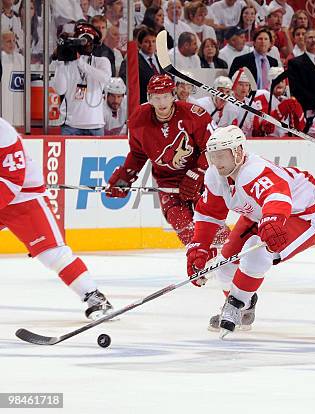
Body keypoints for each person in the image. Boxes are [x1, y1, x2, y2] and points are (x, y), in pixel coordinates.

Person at [186, 125, 315, 337]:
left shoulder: (252, 171)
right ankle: (246, 305)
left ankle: (235, 305)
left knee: (256, 251)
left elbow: (277, 196)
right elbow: (209, 213)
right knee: (225, 267)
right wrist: (199, 248)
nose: (216, 162)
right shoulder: (214, 175)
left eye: (221, 155)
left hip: (301, 214)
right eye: (212, 156)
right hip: (259, 215)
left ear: (238, 152)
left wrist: (273, 220)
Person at [0, 116, 113, 320]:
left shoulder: (2, 132)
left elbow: (12, 181)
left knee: (52, 254)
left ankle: (94, 297)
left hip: (23, 197)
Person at [105, 74, 219, 246]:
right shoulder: (138, 120)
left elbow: (211, 147)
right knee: (178, 219)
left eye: (165, 96)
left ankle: (228, 252)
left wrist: (199, 173)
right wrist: (124, 177)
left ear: (173, 95)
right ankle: (202, 258)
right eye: (157, 98)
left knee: (211, 222)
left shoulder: (193, 115)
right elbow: (138, 155)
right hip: (168, 181)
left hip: (200, 176)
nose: (162, 103)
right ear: (149, 98)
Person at [52, 22, 111, 136]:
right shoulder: (68, 63)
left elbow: (105, 78)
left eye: (90, 41)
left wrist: (81, 63)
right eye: (83, 40)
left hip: (96, 125)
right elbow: (60, 90)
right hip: (71, 126)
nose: (87, 44)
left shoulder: (101, 62)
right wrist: (60, 62)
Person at [252, 67, 306, 136]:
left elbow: (300, 129)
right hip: (268, 142)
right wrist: (279, 111)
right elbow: (261, 128)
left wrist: (297, 112)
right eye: (277, 81)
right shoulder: (262, 96)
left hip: (287, 142)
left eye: (282, 81)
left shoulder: (288, 101)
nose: (280, 83)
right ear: (270, 82)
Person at [119, 27, 164, 104]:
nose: (151, 45)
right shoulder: (131, 61)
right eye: (147, 42)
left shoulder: (162, 59)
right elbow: (125, 84)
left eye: (154, 41)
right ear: (139, 43)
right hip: (142, 104)